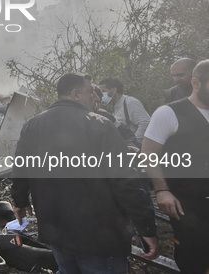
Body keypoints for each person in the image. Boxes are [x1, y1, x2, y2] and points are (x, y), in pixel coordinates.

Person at [11, 73, 159, 273]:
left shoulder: (31, 125)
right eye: (90, 91)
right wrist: (146, 228)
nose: (95, 97)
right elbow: (125, 181)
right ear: (76, 94)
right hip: (99, 235)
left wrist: (20, 201)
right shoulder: (99, 125)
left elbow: (21, 167)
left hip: (55, 228)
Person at [142, 60, 209, 273]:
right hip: (187, 202)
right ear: (196, 82)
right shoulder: (169, 113)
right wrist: (162, 190)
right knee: (194, 258)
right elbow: (149, 154)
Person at [98, 78, 150, 144]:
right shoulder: (115, 106)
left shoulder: (130, 102)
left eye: (103, 91)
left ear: (114, 90)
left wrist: (134, 143)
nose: (102, 95)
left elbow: (145, 122)